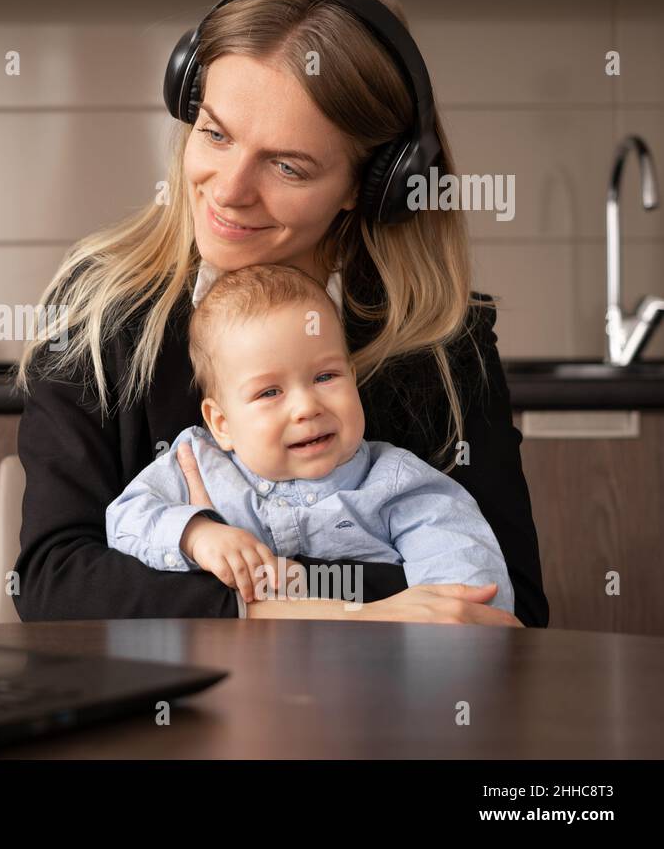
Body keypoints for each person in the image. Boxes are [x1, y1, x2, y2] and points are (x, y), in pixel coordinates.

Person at [8, 0, 548, 626]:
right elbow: (55, 585)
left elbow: (504, 607)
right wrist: (317, 610)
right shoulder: (99, 309)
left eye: (287, 166)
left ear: (371, 183)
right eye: (215, 133)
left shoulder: (444, 342)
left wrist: (207, 576)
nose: (229, 189)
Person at [104, 263, 515, 621]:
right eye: (269, 393)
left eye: (325, 377)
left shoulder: (395, 484)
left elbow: (465, 581)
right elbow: (125, 519)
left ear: (352, 378)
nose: (305, 407)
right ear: (222, 423)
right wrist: (196, 534)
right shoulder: (198, 465)